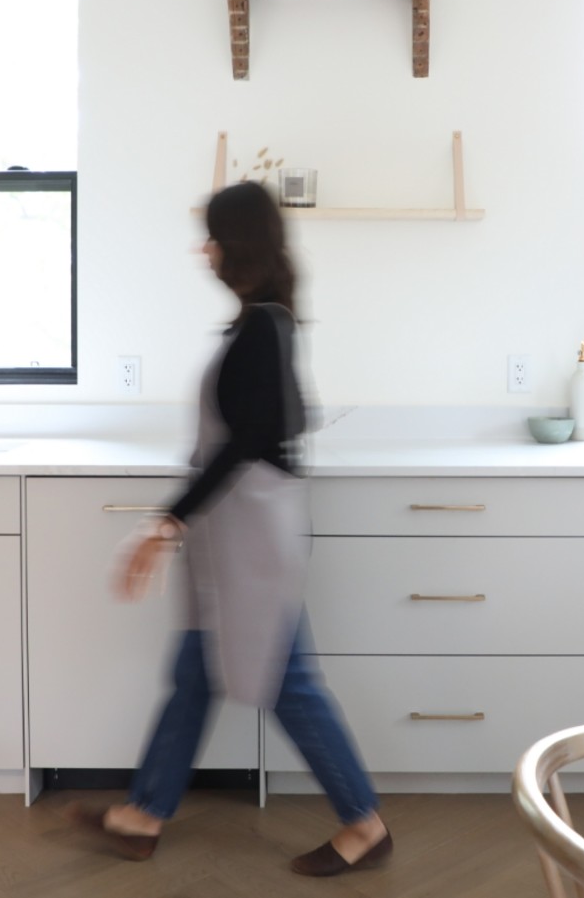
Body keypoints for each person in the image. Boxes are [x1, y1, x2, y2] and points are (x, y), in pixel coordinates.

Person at [79, 181, 390, 877]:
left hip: (251, 542)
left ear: (237, 245)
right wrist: (177, 523)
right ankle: (143, 814)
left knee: (288, 682)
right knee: (194, 671)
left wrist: (167, 521)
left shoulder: (262, 329)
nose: (204, 250)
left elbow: (245, 440)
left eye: (214, 238)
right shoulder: (262, 323)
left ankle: (365, 823)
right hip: (237, 537)